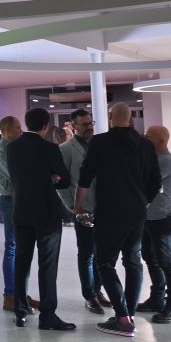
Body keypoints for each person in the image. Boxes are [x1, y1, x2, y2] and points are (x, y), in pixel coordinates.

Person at [75, 103, 161, 338]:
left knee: (105, 262)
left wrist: (78, 204)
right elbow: (156, 181)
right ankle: (129, 313)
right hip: (137, 213)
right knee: (133, 261)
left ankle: (123, 318)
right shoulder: (145, 144)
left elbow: (86, 175)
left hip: (110, 212)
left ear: (110, 116)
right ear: (131, 118)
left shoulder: (100, 142)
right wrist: (143, 202)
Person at [6, 108, 74, 330]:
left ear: (26, 124)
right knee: (47, 264)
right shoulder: (50, 148)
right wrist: (52, 178)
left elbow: (17, 177)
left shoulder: (12, 147)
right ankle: (48, 315)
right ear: (46, 126)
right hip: (46, 212)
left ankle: (20, 311)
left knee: (22, 261)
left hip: (21, 211)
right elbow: (64, 180)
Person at [58, 109, 110, 314]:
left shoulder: (101, 145)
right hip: (83, 208)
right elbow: (60, 183)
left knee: (101, 253)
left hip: (104, 207)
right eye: (84, 124)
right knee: (87, 253)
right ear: (73, 126)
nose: (89, 127)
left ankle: (98, 290)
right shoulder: (65, 149)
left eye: (91, 123)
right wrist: (72, 206)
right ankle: (89, 295)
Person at [0, 115, 38, 313]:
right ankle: (10, 295)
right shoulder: (2, 152)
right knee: (12, 247)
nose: (21, 130)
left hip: (20, 199)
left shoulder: (15, 148)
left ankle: (20, 293)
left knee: (22, 248)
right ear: (8, 131)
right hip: (10, 201)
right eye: (18, 127)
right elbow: (17, 177)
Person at [137, 125, 171, 323]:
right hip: (147, 218)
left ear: (161, 141)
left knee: (166, 261)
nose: (144, 140)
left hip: (162, 219)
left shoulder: (166, 161)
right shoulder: (152, 158)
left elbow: (143, 181)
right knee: (150, 257)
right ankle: (157, 298)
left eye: (149, 137)